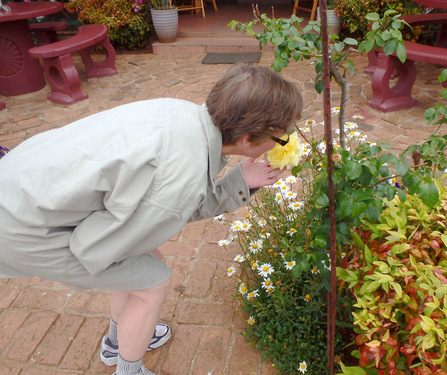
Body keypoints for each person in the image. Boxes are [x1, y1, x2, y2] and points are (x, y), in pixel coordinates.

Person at [0, 64, 303, 375]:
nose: (285, 141)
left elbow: (170, 200)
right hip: (21, 229)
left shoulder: (181, 113)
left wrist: (240, 180)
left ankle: (117, 343)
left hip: (17, 184)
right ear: (248, 139)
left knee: (143, 260)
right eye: (281, 139)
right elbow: (102, 243)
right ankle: (128, 370)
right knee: (152, 283)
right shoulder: (179, 177)